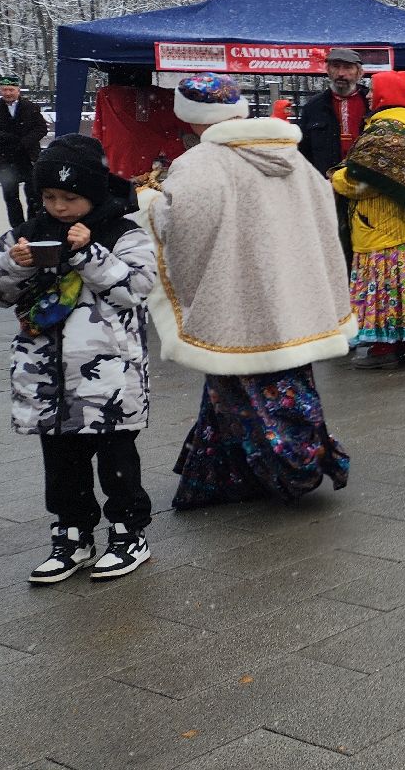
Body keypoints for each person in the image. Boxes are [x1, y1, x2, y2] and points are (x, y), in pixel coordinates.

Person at [143, 74, 353, 509]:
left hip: (237, 300)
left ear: (191, 117)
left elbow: (181, 226)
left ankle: (293, 466)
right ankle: (229, 471)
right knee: (280, 382)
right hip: (291, 297)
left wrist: (148, 204)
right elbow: (321, 222)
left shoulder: (201, 163)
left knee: (242, 390)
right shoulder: (291, 157)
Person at [0, 134, 156, 583]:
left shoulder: (122, 232)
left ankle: (128, 532)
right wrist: (16, 265)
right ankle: (72, 533)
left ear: (92, 194)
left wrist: (88, 253)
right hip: (46, 376)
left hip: (108, 376)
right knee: (61, 465)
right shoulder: (27, 235)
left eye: (69, 198)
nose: (58, 207)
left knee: (116, 460)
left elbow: (135, 288)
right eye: (49, 197)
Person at [333, 71, 405, 368]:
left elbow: (362, 181)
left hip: (383, 227)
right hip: (399, 226)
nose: (367, 95)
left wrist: (337, 177)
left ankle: (385, 348)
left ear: (385, 95)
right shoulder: (402, 128)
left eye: (374, 91)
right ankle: (403, 347)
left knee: (384, 290)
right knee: (401, 290)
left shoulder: (385, 132)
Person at [0, 74, 48, 229]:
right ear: (0, 91)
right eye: (4, 90)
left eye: (11, 89)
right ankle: (18, 229)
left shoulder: (31, 107)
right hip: (4, 158)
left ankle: (33, 227)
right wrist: (4, 137)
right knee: (11, 197)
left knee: (34, 196)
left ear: (18, 90)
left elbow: (41, 128)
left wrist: (26, 141)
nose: (8, 93)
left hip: (28, 156)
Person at [297, 48, 370, 175]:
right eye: (335, 67)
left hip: (365, 182)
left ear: (360, 73)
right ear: (328, 71)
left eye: (348, 67)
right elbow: (304, 150)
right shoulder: (314, 107)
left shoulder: (371, 103)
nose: (341, 73)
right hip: (325, 182)